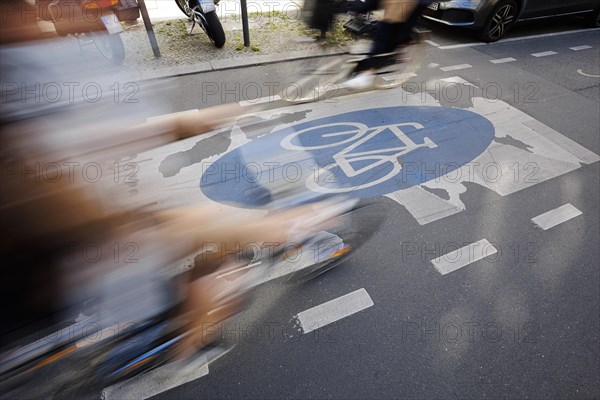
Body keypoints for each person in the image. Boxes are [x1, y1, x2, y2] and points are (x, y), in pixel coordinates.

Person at [0, 0, 331, 370]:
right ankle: (185, 343)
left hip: (63, 251)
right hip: (59, 273)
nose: (38, 16)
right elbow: (64, 211)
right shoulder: (11, 72)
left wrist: (184, 125)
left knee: (206, 231)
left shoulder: (18, 67)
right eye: (21, 8)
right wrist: (237, 226)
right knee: (222, 232)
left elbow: (76, 141)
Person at [342, 0, 433, 89]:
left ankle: (368, 73)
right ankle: (367, 67)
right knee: (378, 30)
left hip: (401, 15)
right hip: (395, 11)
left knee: (385, 38)